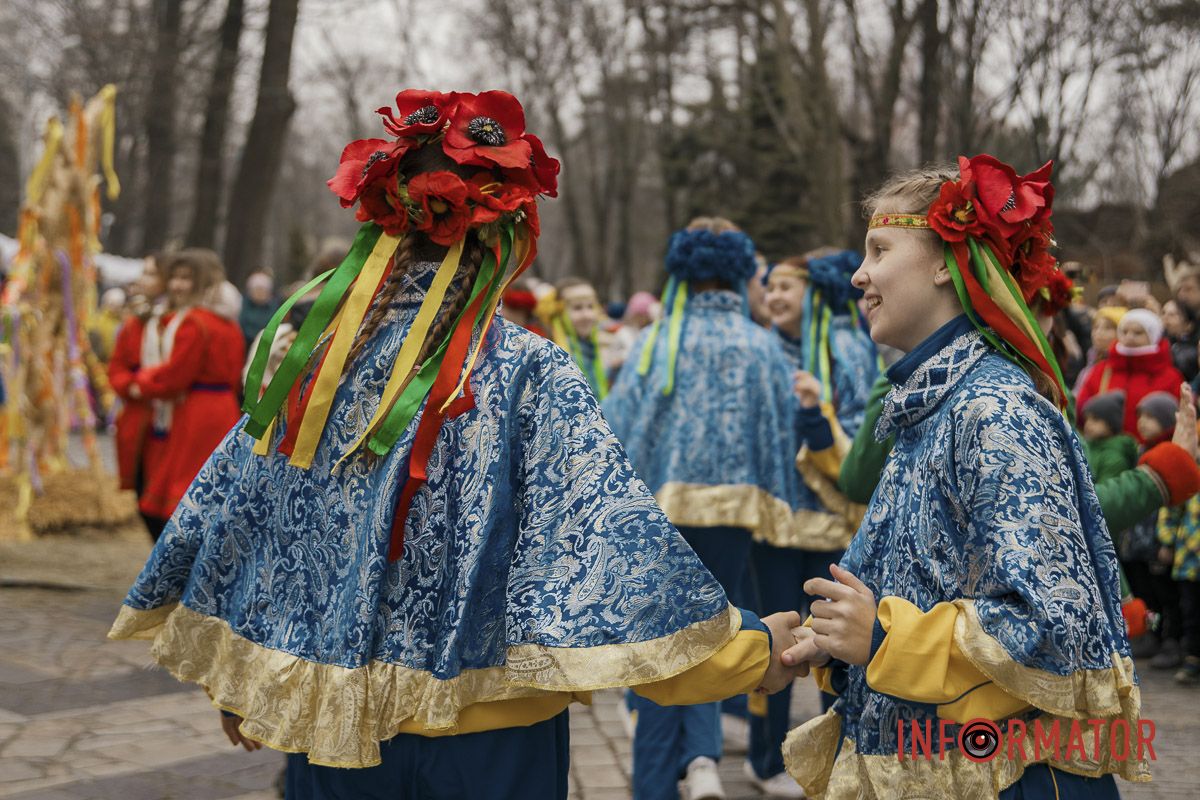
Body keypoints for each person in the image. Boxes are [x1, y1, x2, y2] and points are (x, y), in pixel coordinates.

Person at [108, 89, 802, 800]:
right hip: (491, 746)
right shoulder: (531, 370)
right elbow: (604, 559)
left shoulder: (312, 370)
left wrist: (244, 681)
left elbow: (246, 519)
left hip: (335, 734)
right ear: (507, 235)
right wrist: (753, 653)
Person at [779, 156, 1149, 798]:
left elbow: (1051, 623)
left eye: (878, 248)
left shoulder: (993, 410)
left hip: (1007, 774)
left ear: (946, 264)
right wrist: (833, 635)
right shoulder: (931, 405)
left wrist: (888, 637)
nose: (859, 274)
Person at [603, 217, 806, 800]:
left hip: (660, 516)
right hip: (735, 520)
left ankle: (655, 785)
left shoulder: (656, 341)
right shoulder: (761, 345)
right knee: (720, 637)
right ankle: (704, 761)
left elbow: (619, 426)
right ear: (741, 273)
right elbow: (779, 429)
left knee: (656, 648)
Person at [749, 249, 877, 797]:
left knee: (833, 641)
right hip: (771, 524)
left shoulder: (847, 349)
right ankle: (764, 758)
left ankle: (838, 752)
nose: (774, 296)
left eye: (787, 287)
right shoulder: (757, 352)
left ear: (815, 294)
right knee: (771, 637)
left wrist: (815, 416)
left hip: (832, 525)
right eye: (770, 286)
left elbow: (856, 443)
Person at [124, 249, 244, 539]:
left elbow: (176, 375)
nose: (177, 286)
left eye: (185, 279)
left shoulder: (195, 322)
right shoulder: (229, 323)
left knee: (179, 490)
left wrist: (142, 380)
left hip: (195, 412)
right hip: (224, 408)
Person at [107, 255, 168, 539]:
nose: (143, 279)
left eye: (151, 273)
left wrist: (144, 385)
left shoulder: (173, 322)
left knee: (158, 500)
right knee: (141, 492)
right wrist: (131, 385)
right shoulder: (135, 322)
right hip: (137, 415)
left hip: (166, 421)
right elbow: (117, 366)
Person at [1076, 308, 1184, 441]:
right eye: (1124, 331)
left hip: (1150, 452)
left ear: (1153, 336)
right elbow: (1081, 409)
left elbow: (1176, 420)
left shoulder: (1171, 377)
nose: (1129, 337)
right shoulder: (1102, 370)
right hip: (1106, 451)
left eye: (1138, 333)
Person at [546, 277, 609, 398]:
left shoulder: (596, 348)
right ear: (559, 313)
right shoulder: (553, 357)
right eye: (577, 308)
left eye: (591, 306)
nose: (587, 315)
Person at [1080, 392, 1138, 486]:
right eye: (1086, 419)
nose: (1088, 424)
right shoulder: (1089, 445)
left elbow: (1105, 491)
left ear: (1111, 423)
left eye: (1095, 419)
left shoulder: (1115, 456)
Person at [239, 269, 279, 347]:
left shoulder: (274, 307)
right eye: (257, 289)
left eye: (263, 290)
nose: (260, 293)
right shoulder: (242, 304)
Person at [1163, 299, 1199, 382]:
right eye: (1163, 313)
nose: (1165, 318)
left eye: (1172, 315)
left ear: (1188, 325)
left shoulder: (1194, 350)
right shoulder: (1160, 341)